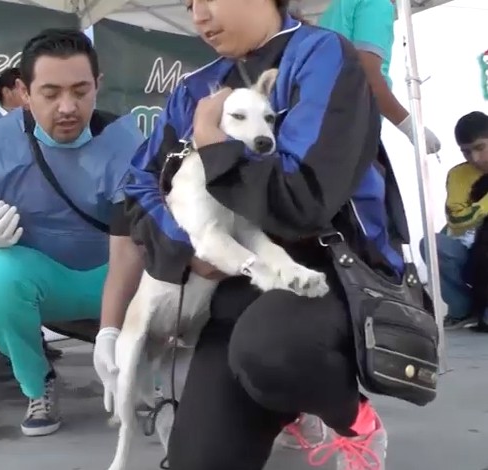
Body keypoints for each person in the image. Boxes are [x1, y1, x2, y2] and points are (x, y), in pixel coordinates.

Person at [109, 0, 406, 468]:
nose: (199, 15)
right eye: (189, 4)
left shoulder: (324, 56)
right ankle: (284, 405)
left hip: (330, 271)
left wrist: (213, 145)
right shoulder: (194, 88)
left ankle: (350, 420)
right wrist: (187, 243)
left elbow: (304, 199)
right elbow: (138, 181)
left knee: (272, 350)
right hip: (231, 289)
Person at [0, 28, 144, 437]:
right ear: (24, 93)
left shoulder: (124, 142)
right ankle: (37, 383)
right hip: (46, 275)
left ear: (98, 86)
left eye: (81, 91)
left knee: (156, 266)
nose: (68, 107)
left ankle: (140, 380)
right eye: (50, 93)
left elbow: (131, 244)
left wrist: (112, 331)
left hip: (115, 270)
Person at [317, 0, 441, 154]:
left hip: (319, 126)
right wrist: (409, 126)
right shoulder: (376, 4)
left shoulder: (339, 7)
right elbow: (367, 78)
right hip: (344, 132)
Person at [420, 111, 488, 329]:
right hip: (469, 252)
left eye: (480, 148)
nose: (475, 159)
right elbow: (457, 219)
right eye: (466, 152)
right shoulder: (459, 175)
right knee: (431, 244)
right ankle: (462, 308)